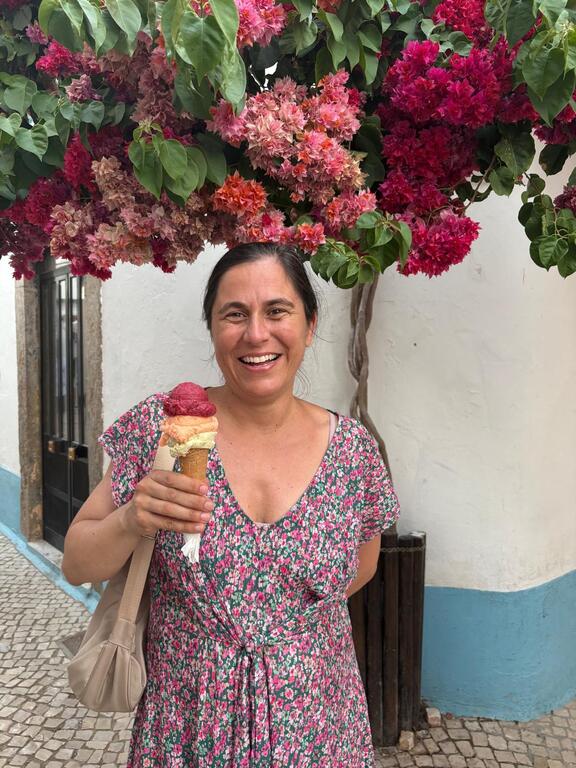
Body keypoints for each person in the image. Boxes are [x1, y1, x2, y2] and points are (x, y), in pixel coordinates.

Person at [62, 242, 400, 767]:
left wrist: (285, 628)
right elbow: (78, 561)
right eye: (234, 314)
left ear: (309, 326)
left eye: (277, 311)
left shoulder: (353, 450)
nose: (256, 334)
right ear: (214, 330)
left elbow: (366, 560)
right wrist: (133, 518)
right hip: (187, 722)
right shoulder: (163, 429)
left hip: (319, 724)